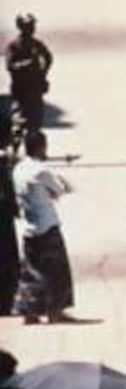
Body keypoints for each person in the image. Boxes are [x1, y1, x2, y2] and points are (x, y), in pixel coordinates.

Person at [13, 131, 75, 324]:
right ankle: (55, 311)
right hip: (47, 226)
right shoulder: (41, 170)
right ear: (41, 147)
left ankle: (30, 312)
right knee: (56, 272)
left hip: (29, 227)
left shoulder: (18, 169)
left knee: (31, 272)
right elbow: (62, 189)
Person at [5, 13, 52, 143]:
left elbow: (48, 58)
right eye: (28, 26)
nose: (31, 28)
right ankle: (14, 150)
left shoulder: (37, 44)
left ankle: (32, 148)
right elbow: (10, 66)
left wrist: (42, 74)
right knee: (18, 123)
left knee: (35, 121)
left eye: (32, 26)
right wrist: (27, 64)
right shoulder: (14, 46)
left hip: (35, 90)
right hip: (21, 91)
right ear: (21, 27)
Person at [0, 117, 19, 315]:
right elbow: (7, 188)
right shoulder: (2, 161)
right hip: (3, 216)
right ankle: (5, 303)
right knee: (7, 259)